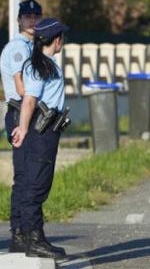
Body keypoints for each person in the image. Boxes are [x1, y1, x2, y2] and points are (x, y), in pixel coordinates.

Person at [11, 18, 70, 259]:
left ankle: (30, 236)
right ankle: (33, 239)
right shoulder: (38, 66)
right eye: (62, 37)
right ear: (57, 40)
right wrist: (23, 129)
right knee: (36, 186)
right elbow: (30, 100)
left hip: (48, 132)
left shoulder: (45, 63)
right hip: (41, 133)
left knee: (36, 184)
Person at [0, 0, 43, 253]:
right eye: (27, 16)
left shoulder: (33, 46)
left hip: (26, 112)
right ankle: (19, 233)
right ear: (18, 20)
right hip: (20, 113)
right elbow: (21, 87)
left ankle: (24, 232)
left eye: (37, 16)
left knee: (28, 176)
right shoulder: (18, 48)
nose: (33, 20)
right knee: (25, 176)